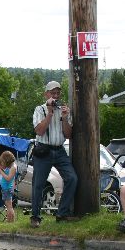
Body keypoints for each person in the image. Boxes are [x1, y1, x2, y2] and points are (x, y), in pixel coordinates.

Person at [30, 80, 78, 228]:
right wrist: (50, 113)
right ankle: (35, 217)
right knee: (38, 184)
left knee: (72, 178)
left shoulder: (64, 110)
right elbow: (39, 131)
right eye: (52, 93)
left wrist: (64, 117)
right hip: (44, 149)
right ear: (46, 94)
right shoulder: (40, 109)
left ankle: (62, 213)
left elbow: (68, 134)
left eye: (58, 93)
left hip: (59, 149)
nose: (55, 96)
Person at [0, 150, 18, 222]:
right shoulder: (11, 166)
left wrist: (1, 172)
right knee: (8, 206)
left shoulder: (13, 167)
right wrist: (2, 169)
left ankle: (10, 221)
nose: (2, 163)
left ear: (6, 160)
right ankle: (10, 221)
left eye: (3, 161)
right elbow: (8, 174)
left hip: (7, 189)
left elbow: (8, 178)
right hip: (6, 188)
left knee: (9, 207)